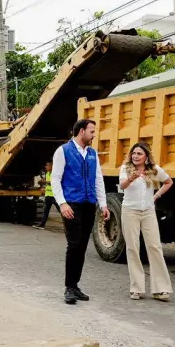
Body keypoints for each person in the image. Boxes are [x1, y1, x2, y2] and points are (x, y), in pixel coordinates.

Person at [52, 119, 110, 305]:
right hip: (72, 204)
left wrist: (103, 204)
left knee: (83, 246)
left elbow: (98, 179)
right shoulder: (63, 151)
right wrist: (62, 204)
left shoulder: (92, 153)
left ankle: (75, 286)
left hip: (88, 204)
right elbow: (55, 179)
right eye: (92, 131)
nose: (94, 135)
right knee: (74, 244)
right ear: (82, 131)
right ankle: (69, 288)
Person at [118, 142, 174, 302]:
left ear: (146, 156)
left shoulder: (154, 170)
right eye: (134, 153)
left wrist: (156, 196)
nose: (135, 156)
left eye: (139, 154)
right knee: (133, 248)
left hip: (148, 212)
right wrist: (130, 179)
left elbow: (169, 182)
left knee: (155, 247)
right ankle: (137, 289)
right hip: (130, 211)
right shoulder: (125, 168)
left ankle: (161, 289)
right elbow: (122, 186)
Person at [33, 161, 59, 229]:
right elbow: (47, 184)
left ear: (52, 166)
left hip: (55, 196)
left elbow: (55, 183)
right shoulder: (47, 173)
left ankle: (69, 224)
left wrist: (47, 182)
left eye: (47, 165)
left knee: (61, 210)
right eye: (46, 165)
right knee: (46, 211)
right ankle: (42, 224)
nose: (46, 167)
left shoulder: (55, 174)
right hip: (48, 195)